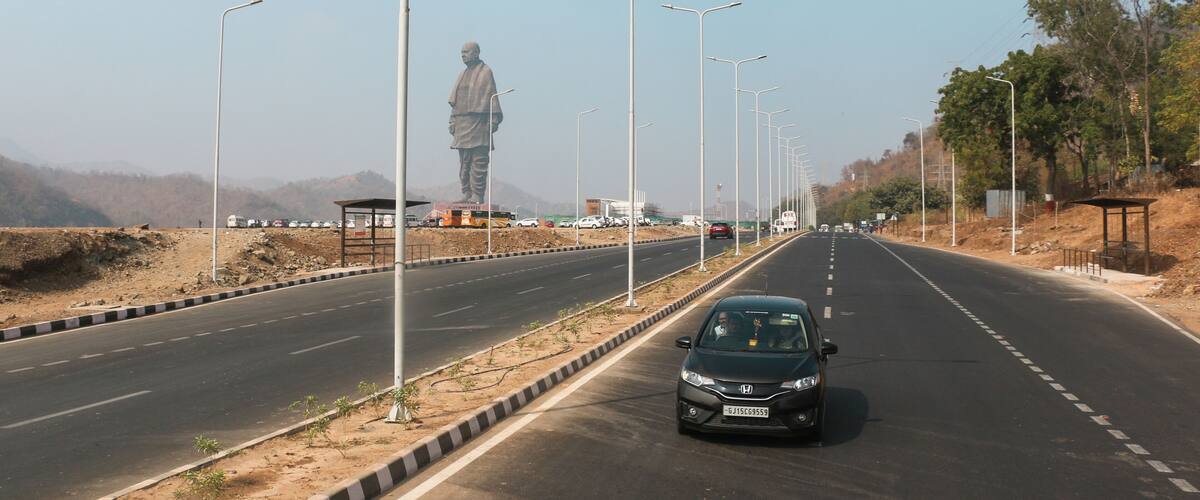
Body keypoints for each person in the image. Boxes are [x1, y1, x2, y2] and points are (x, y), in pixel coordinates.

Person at [448, 42, 503, 204]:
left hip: (479, 123)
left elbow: (492, 96)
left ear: (476, 53)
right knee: (464, 163)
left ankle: (477, 195)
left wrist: (493, 121)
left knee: (479, 162)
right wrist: (452, 120)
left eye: (466, 52)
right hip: (462, 123)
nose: (463, 55)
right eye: (461, 52)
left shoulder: (486, 72)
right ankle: (466, 193)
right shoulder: (462, 74)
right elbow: (455, 102)